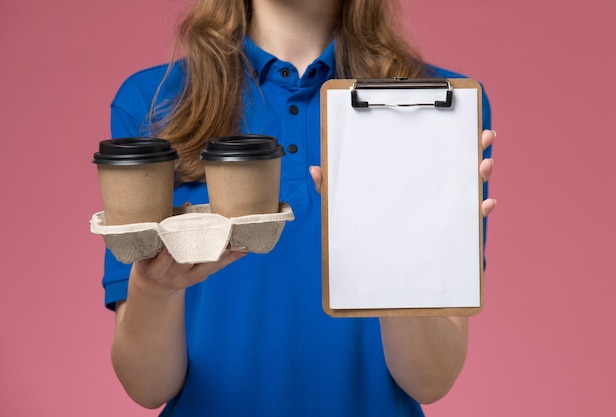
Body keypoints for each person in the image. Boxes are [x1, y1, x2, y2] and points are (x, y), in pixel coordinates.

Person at [102, 0, 497, 416]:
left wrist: (386, 251)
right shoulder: (153, 101)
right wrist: (154, 288)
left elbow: (430, 380)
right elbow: (147, 386)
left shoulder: (437, 105)